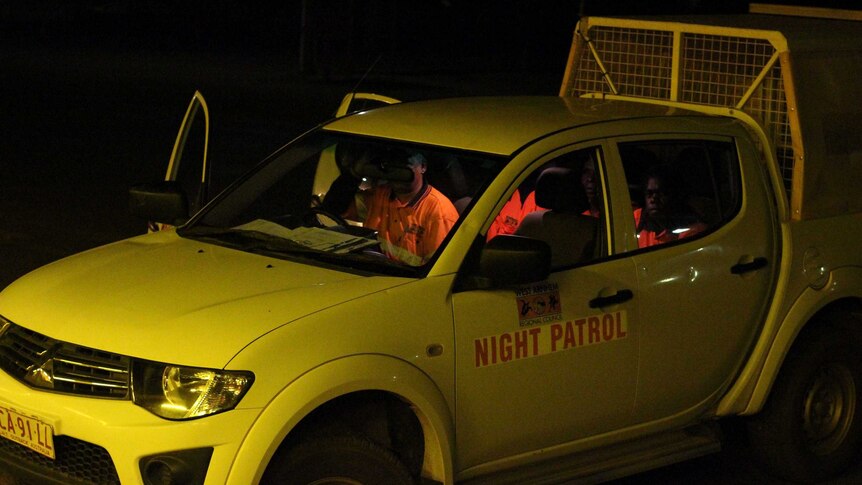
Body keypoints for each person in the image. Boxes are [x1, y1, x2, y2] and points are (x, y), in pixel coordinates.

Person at [324, 149, 459, 266]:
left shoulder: (439, 212)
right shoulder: (379, 195)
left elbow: (439, 269)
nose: (398, 172)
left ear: (423, 167)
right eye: (393, 165)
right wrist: (354, 174)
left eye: (405, 165)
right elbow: (333, 207)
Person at [634, 165, 707, 248]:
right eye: (649, 193)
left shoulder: (693, 229)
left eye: (660, 193)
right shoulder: (636, 220)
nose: (653, 199)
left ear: (673, 195)